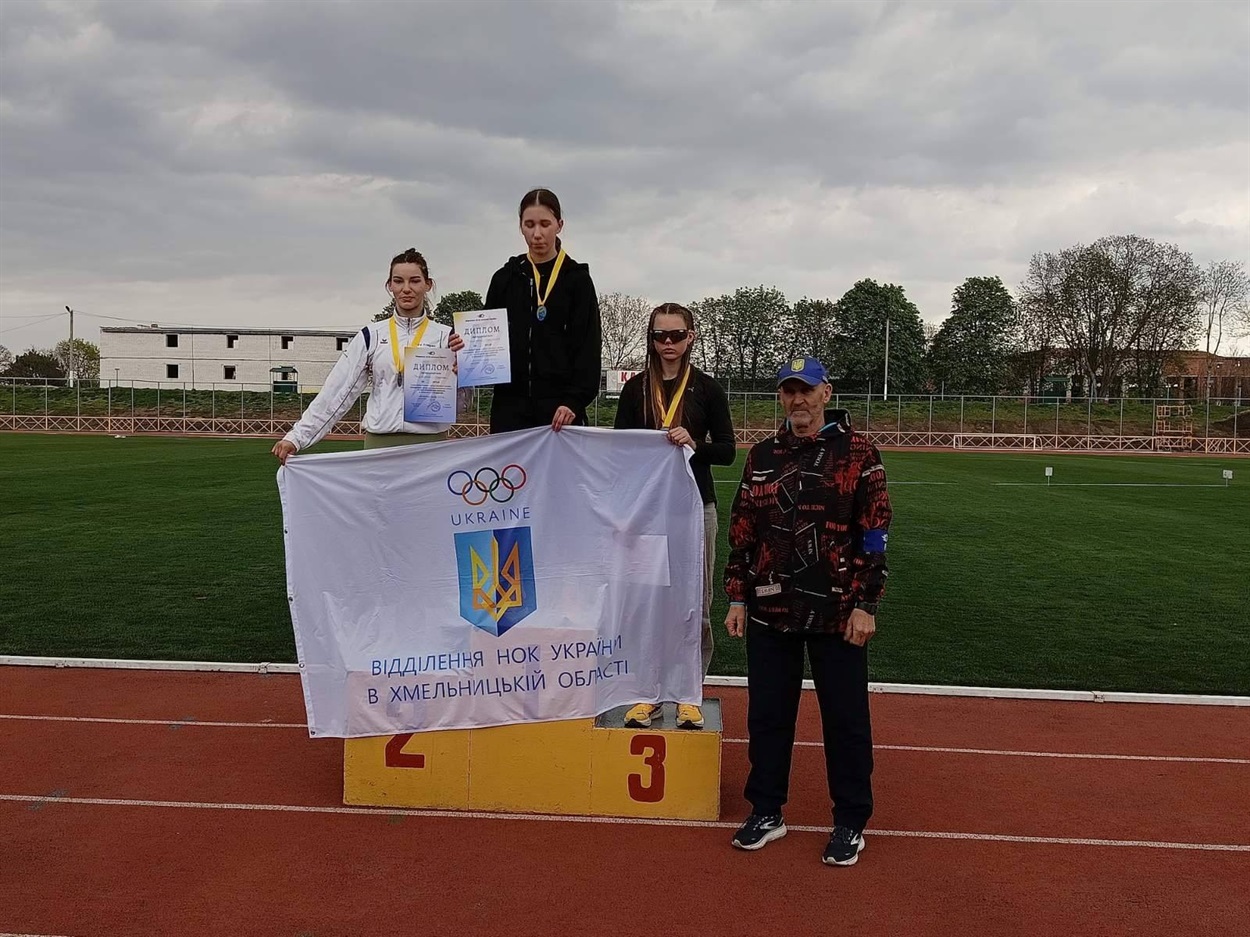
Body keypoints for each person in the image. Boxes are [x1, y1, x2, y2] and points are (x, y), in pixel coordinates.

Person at [724, 357, 892, 867]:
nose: (798, 399)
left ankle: (850, 821)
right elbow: (742, 529)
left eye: (807, 390)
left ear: (826, 393)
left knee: (845, 720)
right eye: (789, 391)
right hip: (769, 609)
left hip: (836, 612)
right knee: (768, 716)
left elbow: (875, 530)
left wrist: (866, 603)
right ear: (781, 397)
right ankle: (766, 811)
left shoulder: (859, 452)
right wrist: (737, 596)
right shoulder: (762, 455)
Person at [613, 303, 736, 730]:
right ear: (650, 339)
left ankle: (689, 694)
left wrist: (695, 443)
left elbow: (728, 451)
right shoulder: (635, 390)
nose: (668, 343)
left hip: (695, 508)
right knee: (648, 605)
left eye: (676, 335)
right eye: (659, 335)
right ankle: (646, 694)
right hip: (647, 513)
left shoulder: (707, 388)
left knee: (694, 605)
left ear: (691, 337)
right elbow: (619, 450)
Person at [271, 248, 465, 462]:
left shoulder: (448, 337)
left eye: (415, 281)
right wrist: (297, 437)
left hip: (430, 446)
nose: (406, 289)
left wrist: (462, 378)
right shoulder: (371, 335)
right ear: (389, 286)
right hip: (379, 446)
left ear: (428, 285)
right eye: (398, 281)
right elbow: (337, 391)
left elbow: (463, 405)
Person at [485, 188, 602, 433]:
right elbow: (485, 337)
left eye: (545, 224)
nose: (537, 234)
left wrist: (574, 401)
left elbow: (588, 348)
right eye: (529, 225)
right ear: (521, 227)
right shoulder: (505, 279)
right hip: (509, 411)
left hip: (561, 413)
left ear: (559, 225)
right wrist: (461, 350)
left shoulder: (577, 281)